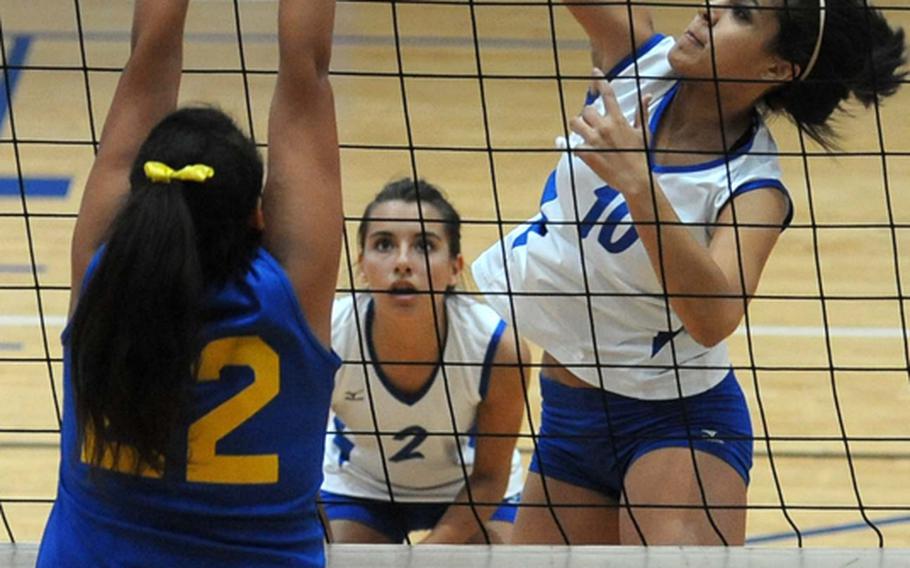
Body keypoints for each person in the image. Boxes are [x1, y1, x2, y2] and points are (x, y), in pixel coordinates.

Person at [472, 0, 905, 545]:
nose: (708, 12)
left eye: (741, 14)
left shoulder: (754, 190)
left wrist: (639, 184)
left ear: (777, 69)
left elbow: (713, 316)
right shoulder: (636, 60)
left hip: (677, 426)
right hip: (568, 417)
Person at [37, 0, 342, 565]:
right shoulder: (288, 296)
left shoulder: (103, 273)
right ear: (258, 216)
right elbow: (307, 75)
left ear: (142, 198)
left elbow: (147, 59)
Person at [321, 178, 528, 544]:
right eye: (383, 245)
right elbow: (296, 459)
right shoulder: (329, 337)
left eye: (424, 246)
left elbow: (490, 478)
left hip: (470, 490)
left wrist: (425, 558)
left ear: (454, 268)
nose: (402, 262)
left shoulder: (498, 348)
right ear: (362, 265)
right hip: (360, 488)